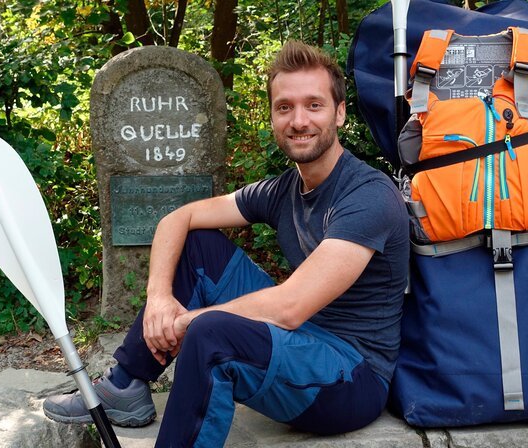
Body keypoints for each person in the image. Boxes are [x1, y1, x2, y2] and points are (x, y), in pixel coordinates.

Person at [43, 40, 409, 447]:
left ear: (339, 113)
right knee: (197, 245)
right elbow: (177, 219)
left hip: (351, 377)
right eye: (284, 107)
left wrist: (187, 320)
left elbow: (289, 308)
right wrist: (159, 297)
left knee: (211, 334)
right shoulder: (283, 190)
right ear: (272, 116)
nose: (298, 120)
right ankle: (124, 385)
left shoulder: (367, 195)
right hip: (304, 339)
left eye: (314, 105)